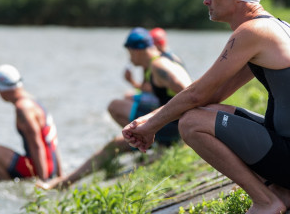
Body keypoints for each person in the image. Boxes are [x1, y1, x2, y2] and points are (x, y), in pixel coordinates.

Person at [123, 0, 290, 214]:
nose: (205, 0)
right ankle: (279, 192)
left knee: (191, 123)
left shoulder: (251, 32)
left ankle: (265, 201)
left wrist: (152, 125)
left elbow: (196, 94)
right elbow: (211, 95)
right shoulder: (269, 29)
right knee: (204, 113)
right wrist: (150, 119)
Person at [39, 28, 192, 189]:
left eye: (129, 52)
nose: (129, 58)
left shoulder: (159, 66)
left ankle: (63, 183)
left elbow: (188, 91)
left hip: (176, 128)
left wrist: (185, 129)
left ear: (136, 50)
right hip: (173, 125)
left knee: (115, 114)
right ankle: (65, 182)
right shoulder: (159, 62)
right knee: (116, 143)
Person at [0, 64, 63, 181]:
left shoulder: (23, 109)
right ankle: (16, 187)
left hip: (40, 168)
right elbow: (52, 142)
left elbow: (37, 145)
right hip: (51, 165)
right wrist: (61, 175)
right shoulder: (33, 101)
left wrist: (44, 182)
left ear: (1, 89)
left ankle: (12, 188)